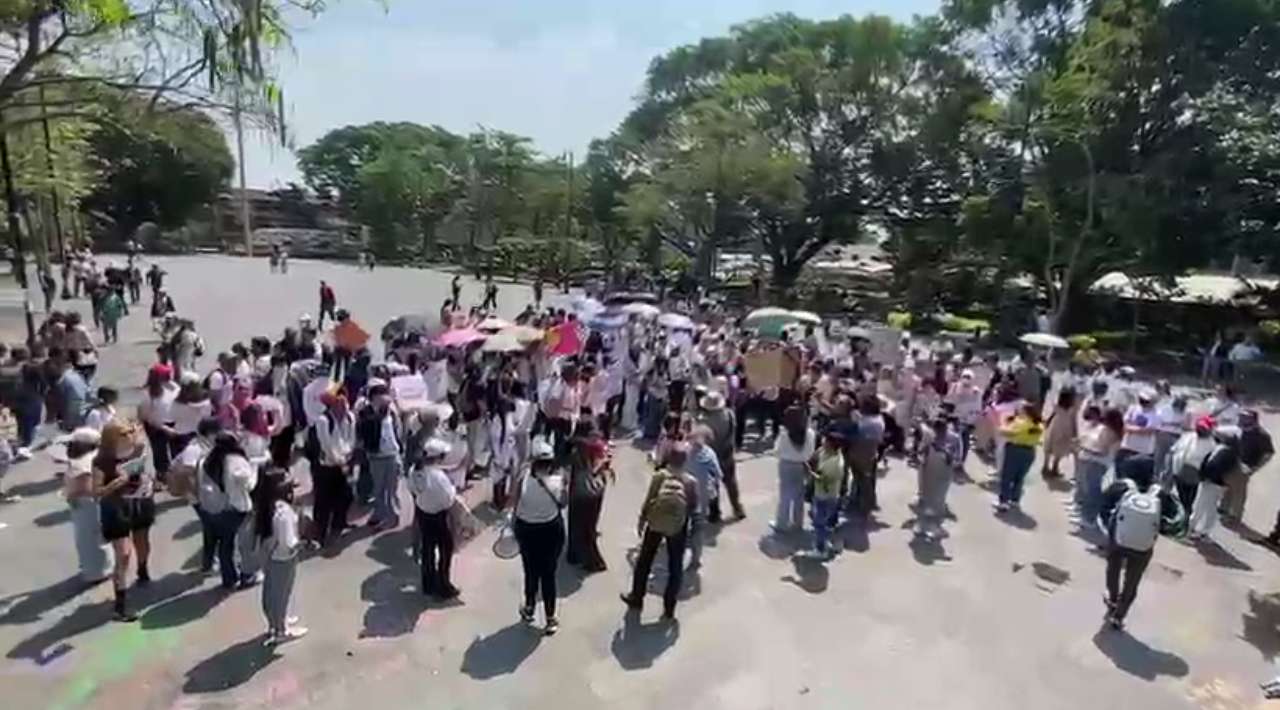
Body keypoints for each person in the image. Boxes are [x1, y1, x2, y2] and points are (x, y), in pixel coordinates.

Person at [1097, 455, 1184, 630]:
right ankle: (1119, 616)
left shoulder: (1122, 486)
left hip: (1118, 540)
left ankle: (1112, 598)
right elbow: (1176, 516)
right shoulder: (1159, 493)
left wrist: (1109, 527)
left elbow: (1103, 505)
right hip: (1143, 546)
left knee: (1113, 568)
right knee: (1132, 580)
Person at [621, 445, 699, 621]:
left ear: (669, 458)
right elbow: (693, 507)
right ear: (685, 461)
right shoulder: (690, 481)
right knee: (675, 566)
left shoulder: (660, 476)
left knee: (645, 560)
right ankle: (669, 608)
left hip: (655, 523)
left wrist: (642, 520)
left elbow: (649, 499)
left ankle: (636, 597)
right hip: (677, 527)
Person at [92, 420, 155, 621]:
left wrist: (148, 481)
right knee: (124, 553)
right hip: (116, 507)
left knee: (142, 541)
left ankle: (143, 570)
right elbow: (96, 492)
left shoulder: (137, 448)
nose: (129, 436)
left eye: (130, 432)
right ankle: (120, 604)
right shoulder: (102, 461)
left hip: (139, 500)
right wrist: (117, 483)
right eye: (124, 433)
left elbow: (144, 459)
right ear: (112, 438)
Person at [511, 438, 565, 634]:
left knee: (531, 572)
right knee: (549, 574)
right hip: (552, 530)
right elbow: (564, 503)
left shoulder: (523, 480)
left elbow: (514, 503)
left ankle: (529, 608)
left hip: (527, 531)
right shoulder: (558, 481)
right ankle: (551, 618)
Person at [197, 432, 258, 590]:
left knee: (225, 545)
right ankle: (246, 574)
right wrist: (255, 468)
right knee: (242, 544)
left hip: (213, 508)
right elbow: (249, 484)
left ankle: (229, 578)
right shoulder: (236, 462)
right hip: (236, 508)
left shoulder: (207, 461)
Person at [256, 473, 308, 644]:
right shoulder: (284, 512)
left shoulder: (266, 506)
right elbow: (288, 543)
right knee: (281, 595)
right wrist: (304, 543)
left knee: (271, 593)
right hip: (283, 559)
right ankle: (281, 630)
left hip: (270, 557)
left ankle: (275, 623)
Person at [406, 438, 459, 599]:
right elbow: (448, 499)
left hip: (423, 513)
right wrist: (453, 488)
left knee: (428, 549)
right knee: (445, 549)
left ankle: (428, 584)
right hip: (439, 517)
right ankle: (443, 585)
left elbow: (413, 490)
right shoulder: (437, 476)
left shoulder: (415, 471)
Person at [60, 427, 113, 586]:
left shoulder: (84, 463)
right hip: (90, 504)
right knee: (94, 538)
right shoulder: (92, 457)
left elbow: (87, 488)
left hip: (86, 505)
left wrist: (69, 494)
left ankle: (97, 572)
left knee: (89, 539)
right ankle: (100, 568)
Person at [565, 422, 611, 573]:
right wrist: (604, 462)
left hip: (576, 491)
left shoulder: (573, 446)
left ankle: (573, 554)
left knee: (575, 523)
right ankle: (593, 561)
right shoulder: (594, 447)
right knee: (588, 528)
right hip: (591, 493)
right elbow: (594, 470)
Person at [311, 392, 355, 547]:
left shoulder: (350, 418)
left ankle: (339, 524)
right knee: (323, 501)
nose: (344, 407)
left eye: (345, 402)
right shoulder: (323, 421)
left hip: (344, 462)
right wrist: (339, 460)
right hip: (327, 466)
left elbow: (351, 439)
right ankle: (320, 534)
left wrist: (346, 456)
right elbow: (326, 445)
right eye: (340, 403)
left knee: (346, 496)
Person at [1074, 408, 1124, 532]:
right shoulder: (1109, 430)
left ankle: (1089, 519)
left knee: (1093, 492)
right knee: (1089, 490)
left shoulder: (1110, 433)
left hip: (1098, 463)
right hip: (1094, 462)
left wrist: (1085, 448)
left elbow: (1102, 451)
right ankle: (1085, 516)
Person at [698, 390, 744, 521]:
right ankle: (737, 508)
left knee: (713, 485)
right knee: (731, 483)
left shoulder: (705, 421)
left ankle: (714, 513)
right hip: (727, 452)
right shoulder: (729, 414)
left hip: (712, 455)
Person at [1188, 426, 1240, 541]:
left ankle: (1196, 530)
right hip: (1213, 483)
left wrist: (1207, 477)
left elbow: (1216, 467)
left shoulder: (1226, 453)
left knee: (1203, 506)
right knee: (1206, 507)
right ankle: (1200, 530)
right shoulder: (1226, 451)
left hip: (1213, 483)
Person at [1223, 410, 1273, 524]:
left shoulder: (1262, 435)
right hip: (1232, 463)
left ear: (1253, 420)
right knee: (1227, 488)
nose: (1241, 419)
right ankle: (1224, 509)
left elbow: (1268, 454)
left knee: (1238, 493)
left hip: (1245, 467)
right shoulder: (1240, 430)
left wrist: (1255, 468)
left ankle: (1235, 516)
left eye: (1245, 417)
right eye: (1241, 416)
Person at [773, 406, 815, 532]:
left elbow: (777, 451)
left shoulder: (784, 434)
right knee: (799, 497)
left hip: (786, 465)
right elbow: (811, 452)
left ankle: (782, 523)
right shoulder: (810, 433)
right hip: (802, 464)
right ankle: (798, 523)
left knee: (785, 495)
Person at [685, 426, 722, 569]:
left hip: (685, 492)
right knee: (698, 528)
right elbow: (718, 474)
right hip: (702, 495)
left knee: (681, 524)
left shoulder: (684, 451)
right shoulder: (710, 454)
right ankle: (696, 559)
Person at [995, 403, 1043, 513]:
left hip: (1015, 449)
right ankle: (1015, 499)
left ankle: (1003, 502)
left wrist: (1002, 425)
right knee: (1019, 477)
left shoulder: (1021, 423)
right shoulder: (1039, 425)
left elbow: (1008, 433)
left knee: (1007, 476)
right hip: (1030, 451)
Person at [808, 428, 845, 557]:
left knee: (820, 524)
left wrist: (809, 472)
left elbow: (824, 482)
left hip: (826, 496)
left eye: (826, 440)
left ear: (831, 444)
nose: (823, 441)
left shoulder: (835, 463)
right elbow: (814, 458)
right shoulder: (825, 452)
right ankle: (829, 543)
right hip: (823, 494)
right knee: (822, 521)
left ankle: (820, 550)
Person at [1168, 415, 1216, 514]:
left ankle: (1186, 514)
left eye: (1204, 428)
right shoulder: (1188, 436)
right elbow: (1175, 449)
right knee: (1180, 495)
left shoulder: (1211, 445)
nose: (1201, 429)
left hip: (1195, 473)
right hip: (1179, 468)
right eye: (1199, 427)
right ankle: (1183, 513)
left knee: (1188, 499)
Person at [1041, 387, 1078, 479]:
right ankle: (1055, 467)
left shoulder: (1057, 405)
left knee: (1049, 445)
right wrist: (1075, 432)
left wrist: (1048, 422)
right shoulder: (1072, 408)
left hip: (1055, 426)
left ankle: (1045, 467)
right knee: (1060, 448)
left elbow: (1052, 414)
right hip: (1065, 428)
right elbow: (1073, 420)